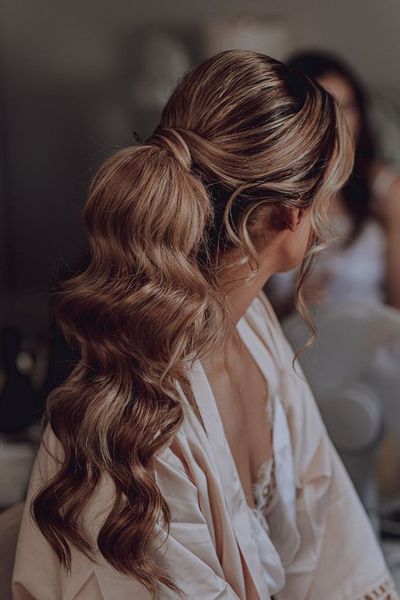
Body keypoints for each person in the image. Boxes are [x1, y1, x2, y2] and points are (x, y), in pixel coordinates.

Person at [12, 50, 397, 599]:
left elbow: (325, 514)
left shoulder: (254, 324)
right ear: (293, 214)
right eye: (324, 197)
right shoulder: (138, 423)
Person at [268, 51, 400, 316]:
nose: (338, 121)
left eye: (347, 107)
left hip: (372, 346)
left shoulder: (385, 191)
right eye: (326, 107)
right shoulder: (269, 193)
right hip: (289, 343)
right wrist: (291, 306)